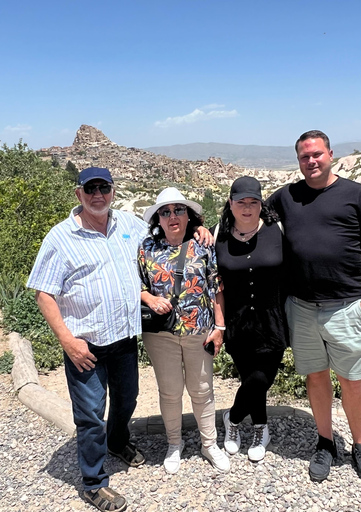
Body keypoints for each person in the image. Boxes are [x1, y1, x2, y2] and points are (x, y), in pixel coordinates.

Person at [27, 168, 212, 512]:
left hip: (124, 338)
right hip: (86, 344)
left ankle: (116, 442)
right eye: (91, 188)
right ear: (78, 194)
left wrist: (199, 228)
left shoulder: (129, 225)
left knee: (127, 400)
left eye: (104, 188)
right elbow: (43, 293)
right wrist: (67, 341)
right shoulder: (60, 237)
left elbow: (168, 229)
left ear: (112, 191)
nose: (98, 195)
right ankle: (94, 484)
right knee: (91, 414)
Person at [267, 130, 361, 489]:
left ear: (330, 154)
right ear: (298, 160)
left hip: (347, 307)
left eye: (317, 154)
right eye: (305, 156)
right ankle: (325, 442)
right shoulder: (286, 196)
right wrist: (205, 231)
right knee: (316, 376)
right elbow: (248, 216)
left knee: (353, 381)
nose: (312, 161)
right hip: (302, 308)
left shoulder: (355, 194)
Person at [138, 187, 230, 474]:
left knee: (202, 390)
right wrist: (149, 298)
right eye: (165, 212)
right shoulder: (147, 248)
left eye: (178, 210)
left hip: (199, 330)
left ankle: (209, 443)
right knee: (169, 392)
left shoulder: (203, 245)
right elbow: (135, 285)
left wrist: (220, 327)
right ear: (158, 219)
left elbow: (217, 287)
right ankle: (174, 444)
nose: (172, 216)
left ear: (189, 215)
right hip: (160, 334)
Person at [214, 176, 287, 462]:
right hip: (237, 323)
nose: (247, 208)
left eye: (253, 202)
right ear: (230, 204)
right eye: (241, 202)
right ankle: (260, 427)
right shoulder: (216, 233)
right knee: (248, 378)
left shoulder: (277, 229)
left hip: (273, 319)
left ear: (261, 203)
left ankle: (231, 419)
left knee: (260, 378)